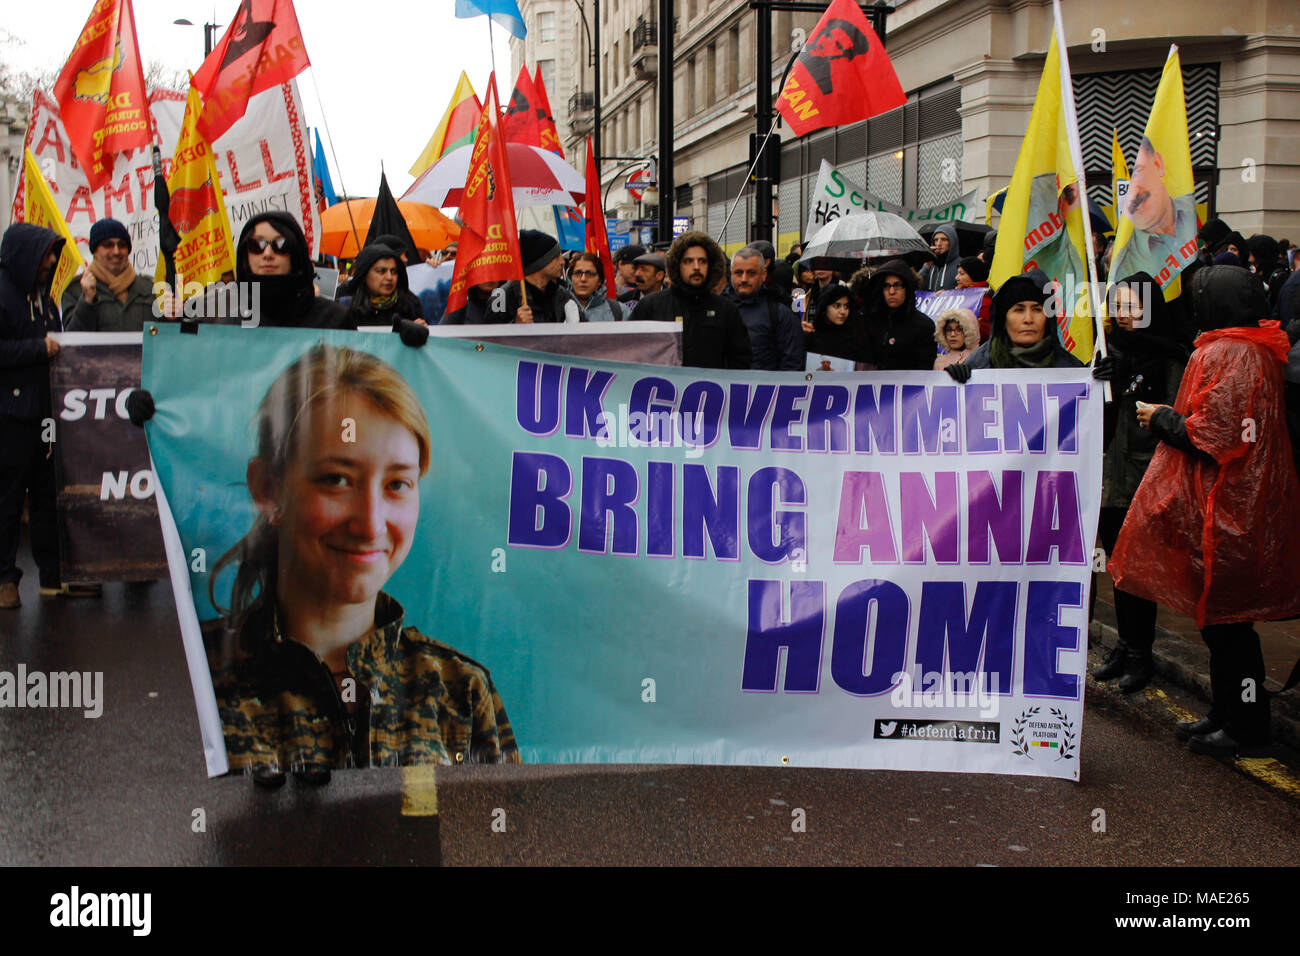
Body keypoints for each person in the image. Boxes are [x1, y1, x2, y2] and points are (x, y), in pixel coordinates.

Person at [203, 343, 520, 779]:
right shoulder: (196, 682)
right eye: (337, 479)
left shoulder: (460, 691)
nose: (371, 524)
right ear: (268, 489)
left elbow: (504, 844)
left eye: (397, 484)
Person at [1109, 265, 1300, 757]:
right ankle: (1228, 712)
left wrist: (1162, 417)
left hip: (1231, 510)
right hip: (1233, 505)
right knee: (1220, 625)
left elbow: (1215, 434)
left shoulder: (1231, 352)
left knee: (1230, 628)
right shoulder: (1251, 347)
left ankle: (1247, 725)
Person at [1088, 273, 1191, 693]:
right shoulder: (1104, 350)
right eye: (1118, 306)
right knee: (1116, 567)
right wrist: (1098, 379)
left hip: (1145, 477)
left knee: (1138, 571)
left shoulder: (1171, 358)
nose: (1124, 315)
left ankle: (1140, 654)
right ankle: (1126, 646)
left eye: (1134, 306)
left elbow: (1179, 420)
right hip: (1108, 478)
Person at [0, 223, 96, 608]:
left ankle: (54, 575)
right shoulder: (3, 294)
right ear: (25, 254)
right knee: (7, 499)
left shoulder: (44, 295)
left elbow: (59, 342)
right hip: (9, 417)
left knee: (46, 494)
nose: (53, 261)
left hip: (45, 417)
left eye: (54, 254)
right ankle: (4, 579)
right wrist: (36, 350)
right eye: (46, 254)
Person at [630, 231, 751, 369]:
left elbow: (740, 361)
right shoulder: (650, 305)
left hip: (711, 389)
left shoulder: (726, 309)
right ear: (677, 265)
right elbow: (631, 352)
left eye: (702, 261)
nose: (696, 267)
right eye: (688, 261)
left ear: (711, 265)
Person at [210, 212, 353, 329]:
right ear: (245, 255)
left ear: (296, 252)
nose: (267, 253)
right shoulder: (229, 325)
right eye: (257, 245)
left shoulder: (334, 319)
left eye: (280, 244)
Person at [944, 271, 1084, 380]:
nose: (1028, 319)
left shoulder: (1072, 369)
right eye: (1019, 310)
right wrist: (951, 382)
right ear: (1003, 320)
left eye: (1037, 309)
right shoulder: (977, 366)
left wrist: (1102, 386)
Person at [1109, 136, 1198, 286]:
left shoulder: (1190, 214)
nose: (1135, 191)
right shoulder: (1125, 263)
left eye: (1140, 172)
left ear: (1158, 164)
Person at [61, 218, 156, 332]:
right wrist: (87, 301)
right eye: (108, 245)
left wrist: (172, 317)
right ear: (95, 251)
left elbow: (164, 337)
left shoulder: (149, 289)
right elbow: (73, 339)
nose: (116, 251)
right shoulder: (76, 290)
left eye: (122, 245)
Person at [725, 245, 804, 370]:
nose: (744, 279)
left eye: (751, 273)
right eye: (738, 273)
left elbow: (792, 365)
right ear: (731, 274)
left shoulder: (780, 314)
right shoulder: (716, 310)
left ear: (763, 275)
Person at [859, 259, 937, 371]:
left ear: (907, 288)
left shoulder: (924, 325)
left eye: (897, 285)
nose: (891, 291)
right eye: (886, 286)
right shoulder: (871, 322)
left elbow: (925, 371)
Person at [347, 243, 425, 329]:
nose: (389, 277)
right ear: (364, 274)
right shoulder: (345, 309)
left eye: (394, 271)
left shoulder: (410, 305)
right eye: (381, 271)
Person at [800, 281, 868, 367]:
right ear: (824, 307)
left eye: (846, 306)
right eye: (837, 306)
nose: (843, 312)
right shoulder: (811, 337)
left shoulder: (856, 338)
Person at [506, 229, 565, 323]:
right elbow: (488, 334)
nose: (562, 262)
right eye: (556, 257)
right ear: (540, 263)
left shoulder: (561, 294)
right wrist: (515, 325)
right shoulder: (505, 295)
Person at [556, 253, 627, 322]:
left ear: (600, 280)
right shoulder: (556, 308)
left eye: (589, 274)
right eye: (578, 273)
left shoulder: (620, 311)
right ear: (570, 278)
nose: (583, 279)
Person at [954, 256, 993, 341]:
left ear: (973, 275)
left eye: (962, 274)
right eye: (958, 273)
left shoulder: (984, 300)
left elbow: (985, 332)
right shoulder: (958, 294)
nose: (956, 278)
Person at [921, 223, 961, 291]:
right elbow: (915, 286)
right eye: (936, 240)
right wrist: (926, 266)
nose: (939, 244)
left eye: (943, 239)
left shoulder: (961, 264)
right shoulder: (930, 266)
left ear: (952, 242)